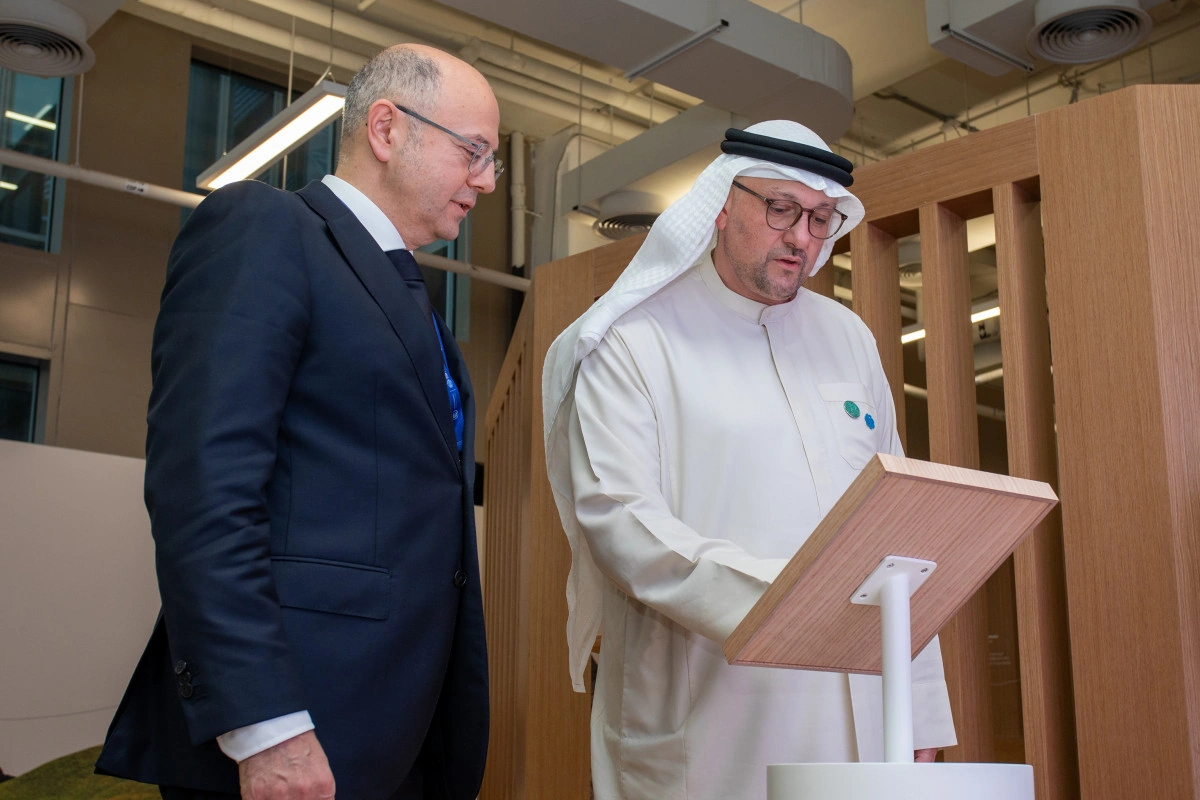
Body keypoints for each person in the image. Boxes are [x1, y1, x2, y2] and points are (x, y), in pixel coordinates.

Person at [95, 43, 500, 800]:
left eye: (494, 161)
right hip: (294, 730)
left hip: (400, 732)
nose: (486, 181)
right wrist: (266, 725)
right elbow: (204, 491)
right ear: (387, 128)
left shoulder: (416, 305)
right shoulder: (266, 227)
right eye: (473, 152)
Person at [542, 121, 956, 799]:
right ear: (721, 205)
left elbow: (896, 531)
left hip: (861, 711)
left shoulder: (847, 337)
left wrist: (921, 706)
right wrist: (792, 601)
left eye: (819, 218)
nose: (801, 237)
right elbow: (620, 522)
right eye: (781, 209)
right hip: (709, 711)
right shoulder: (635, 339)